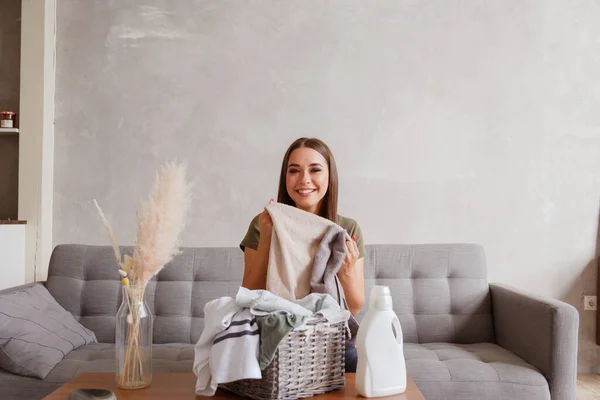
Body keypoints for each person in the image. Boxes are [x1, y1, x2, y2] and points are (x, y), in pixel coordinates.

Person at [239, 137, 365, 372]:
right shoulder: (263, 223)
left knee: (354, 362)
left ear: (330, 176)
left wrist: (346, 272)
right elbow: (250, 295)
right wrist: (267, 237)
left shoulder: (346, 230)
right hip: (278, 336)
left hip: (329, 339)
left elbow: (355, 309)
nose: (304, 180)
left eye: (315, 170)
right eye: (294, 171)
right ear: (285, 178)